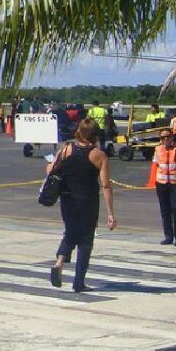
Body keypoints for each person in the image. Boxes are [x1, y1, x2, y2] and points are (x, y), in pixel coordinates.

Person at [48, 118, 117, 293]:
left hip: (67, 198)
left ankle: (60, 260)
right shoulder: (99, 155)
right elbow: (106, 185)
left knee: (70, 231)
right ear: (95, 135)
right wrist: (110, 213)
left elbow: (51, 170)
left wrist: (50, 163)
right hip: (88, 200)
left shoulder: (66, 149)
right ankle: (79, 282)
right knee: (86, 240)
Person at [153, 128, 176, 245]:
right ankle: (168, 236)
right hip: (161, 183)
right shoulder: (158, 149)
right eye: (162, 137)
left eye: (168, 136)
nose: (165, 139)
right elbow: (156, 163)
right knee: (165, 211)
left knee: (175, 209)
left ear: (172, 137)